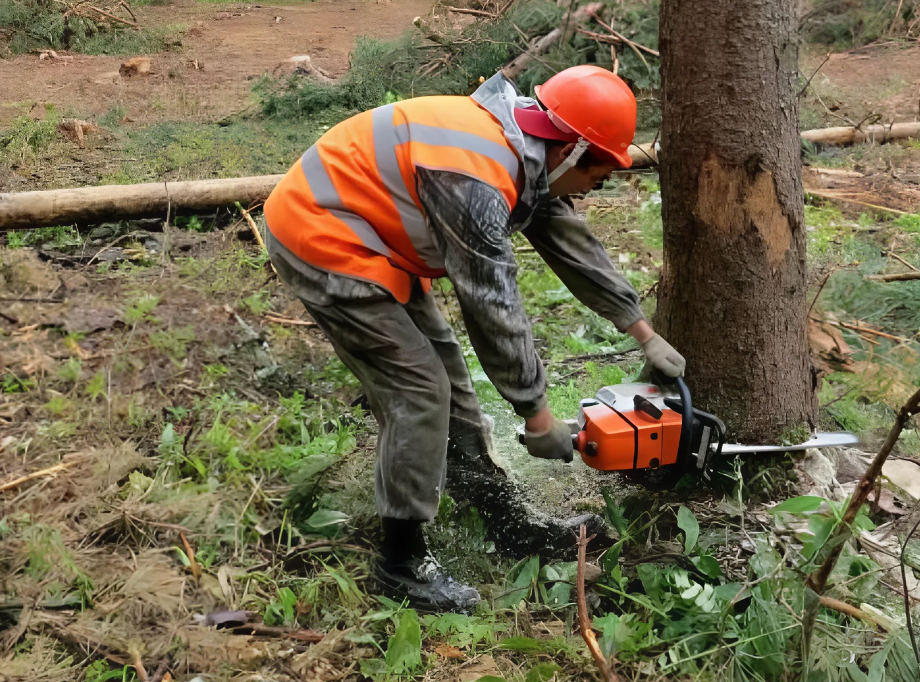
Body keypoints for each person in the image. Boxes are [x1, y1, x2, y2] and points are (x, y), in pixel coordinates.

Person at [262, 65, 686, 612]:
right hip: (321, 237)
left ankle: (504, 520)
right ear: (572, 152)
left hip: (376, 240)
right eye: (598, 177)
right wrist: (537, 416)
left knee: (452, 385)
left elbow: (572, 245)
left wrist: (642, 332)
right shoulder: (476, 180)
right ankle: (401, 562)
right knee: (419, 390)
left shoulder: (524, 152)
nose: (591, 190)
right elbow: (491, 303)